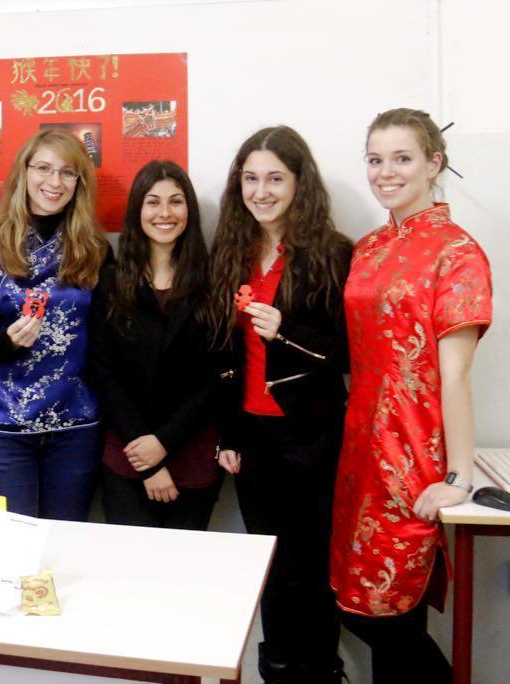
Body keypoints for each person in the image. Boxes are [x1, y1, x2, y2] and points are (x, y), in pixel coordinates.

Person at [330, 108, 493, 684]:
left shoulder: (458, 253)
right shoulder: (369, 246)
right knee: (358, 604)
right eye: (375, 160)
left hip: (414, 454)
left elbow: (456, 376)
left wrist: (457, 477)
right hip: (360, 451)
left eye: (402, 158)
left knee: (392, 611)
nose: (386, 172)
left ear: (434, 163)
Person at [209, 126, 352, 682]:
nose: (261, 191)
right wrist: (228, 434)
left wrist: (285, 330)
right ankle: (278, 669)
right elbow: (223, 354)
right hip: (252, 434)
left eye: (275, 179)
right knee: (266, 562)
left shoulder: (333, 252)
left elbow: (347, 351)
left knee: (308, 565)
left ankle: (318, 671)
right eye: (251, 179)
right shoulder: (233, 250)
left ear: (299, 183)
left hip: (310, 433)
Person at [0, 127, 109, 521]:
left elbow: (107, 344)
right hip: (3, 425)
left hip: (75, 425)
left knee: (65, 540)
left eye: (66, 172)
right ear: (24, 173)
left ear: (79, 182)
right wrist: (8, 341)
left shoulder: (94, 250)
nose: (54, 182)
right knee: (7, 543)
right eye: (43, 168)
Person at [89, 160, 223, 530]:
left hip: (192, 453)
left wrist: (163, 443)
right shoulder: (111, 282)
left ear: (189, 210)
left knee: (185, 562)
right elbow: (104, 373)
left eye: (176, 201)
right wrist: (146, 457)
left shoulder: (213, 282)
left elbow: (219, 375)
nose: (165, 213)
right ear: (137, 210)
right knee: (128, 562)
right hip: (127, 455)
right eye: (153, 202)